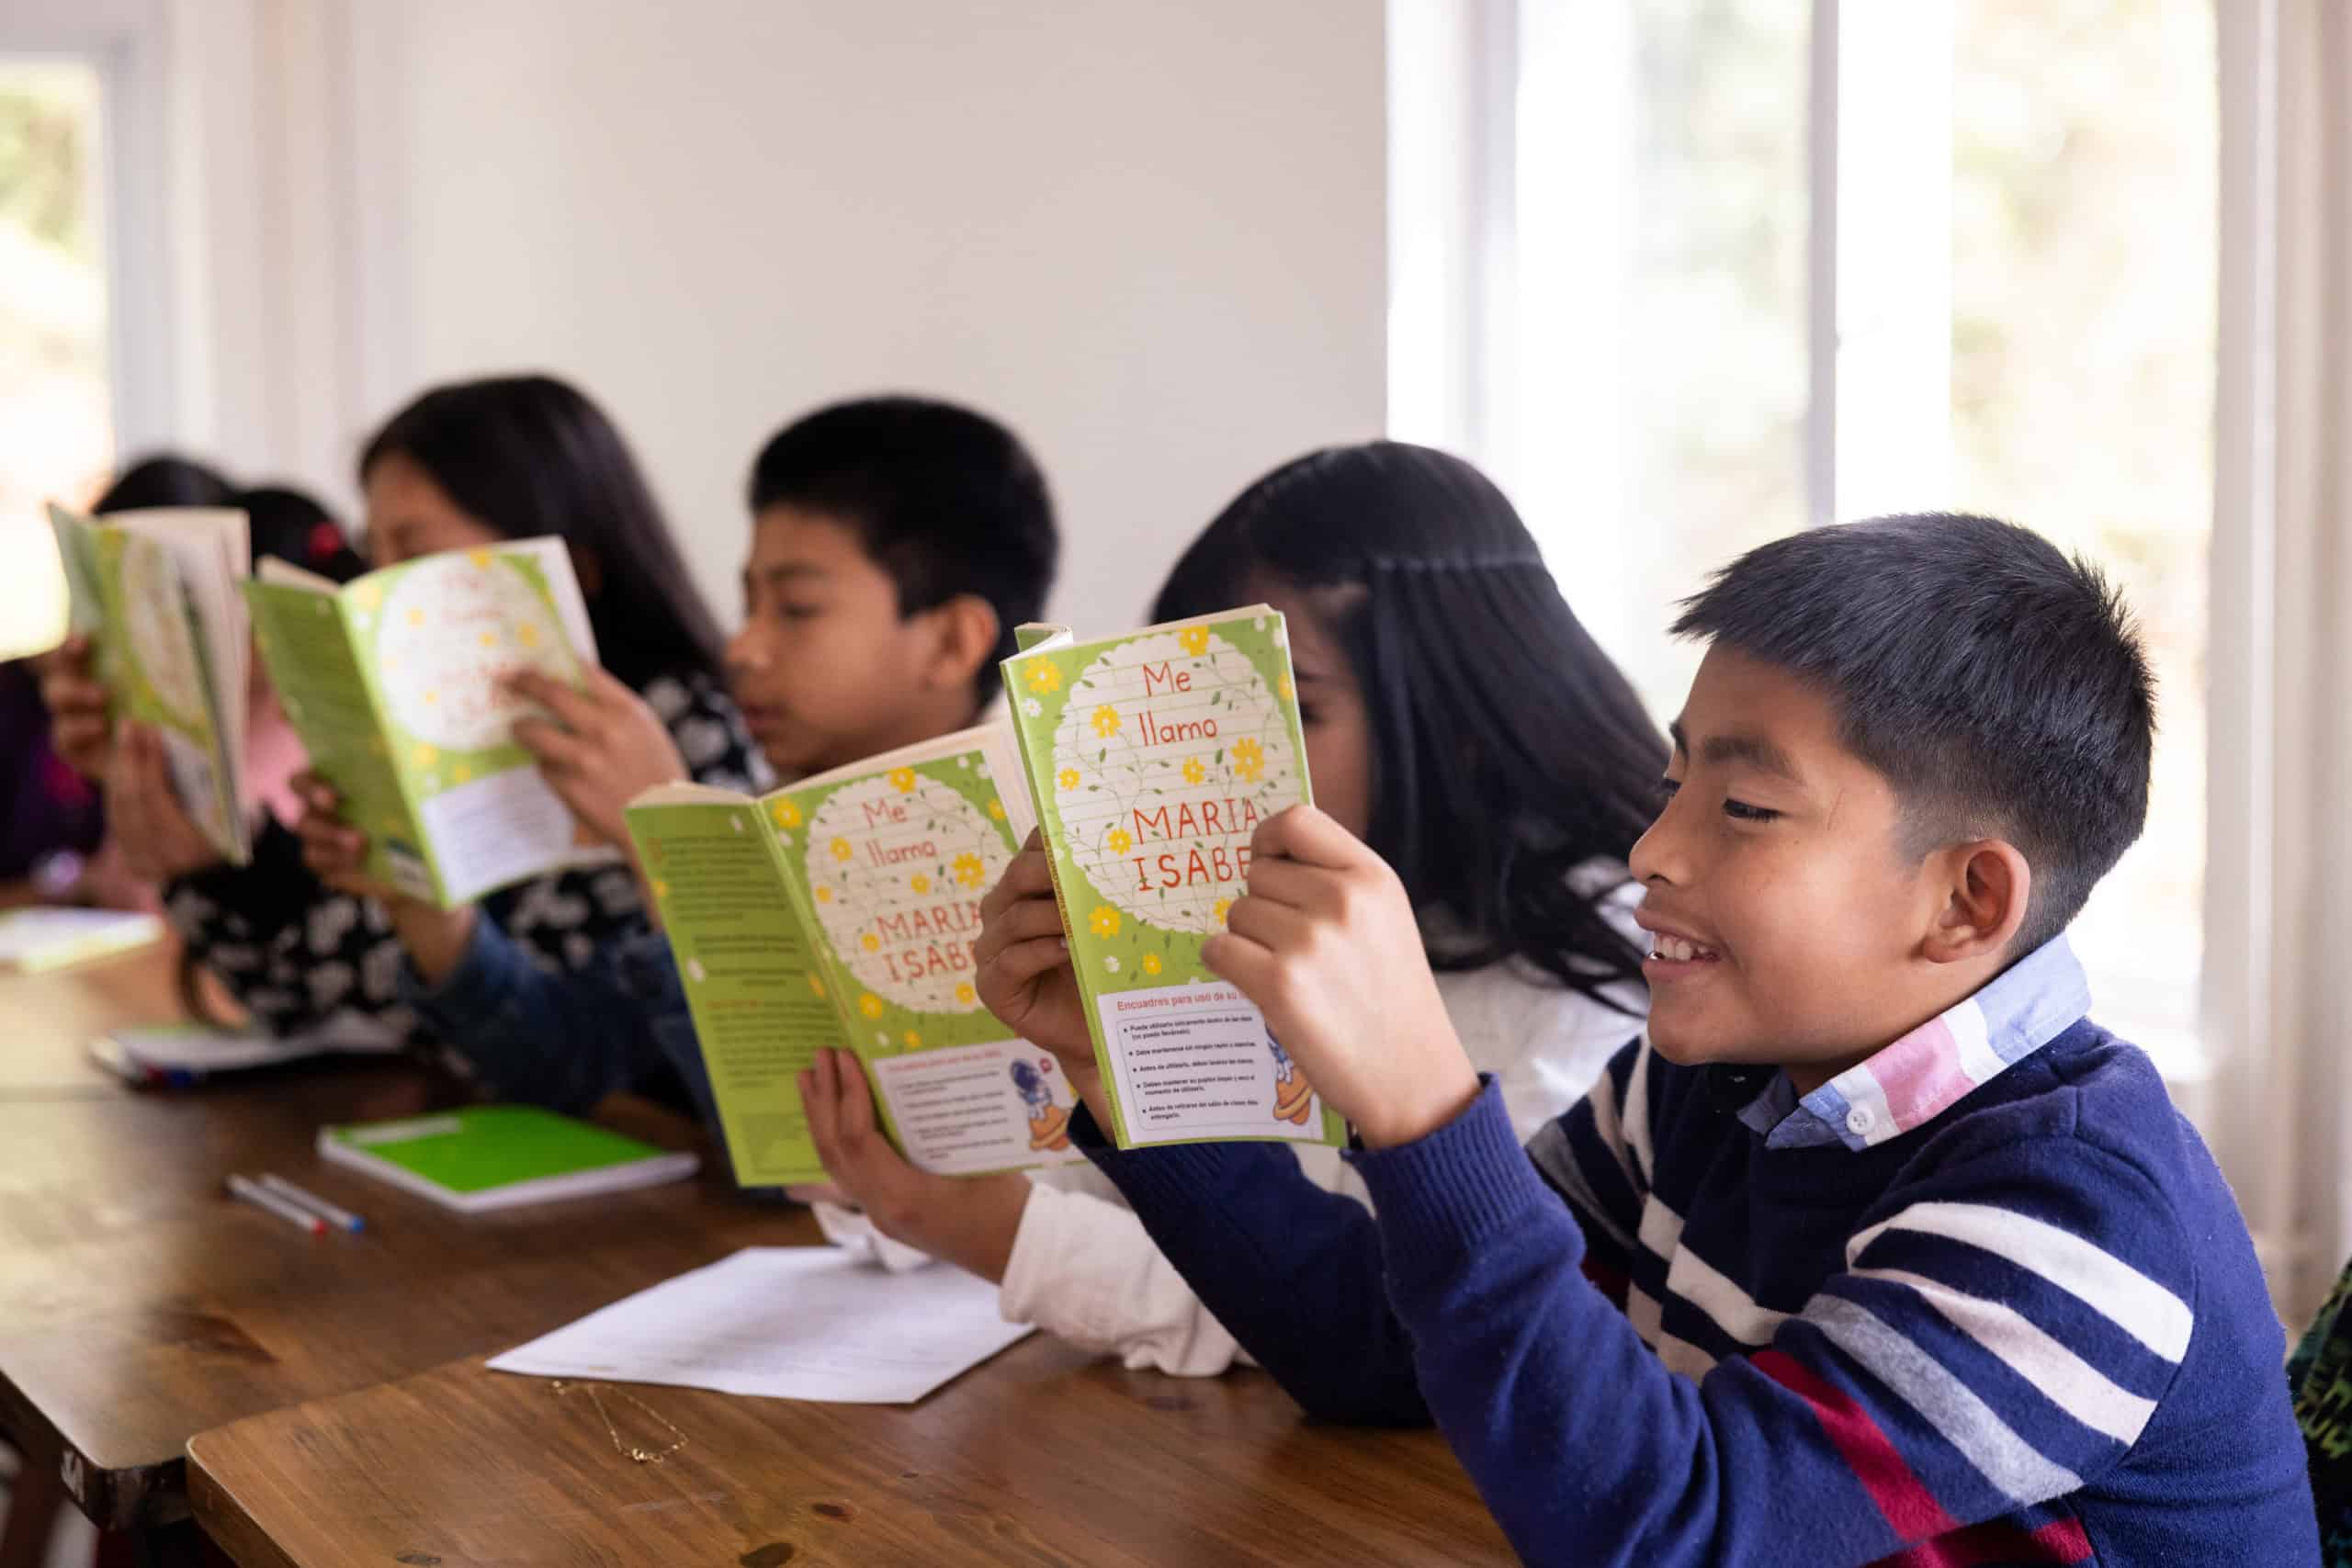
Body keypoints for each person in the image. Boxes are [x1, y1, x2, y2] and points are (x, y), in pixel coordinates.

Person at [979, 513, 2319, 1563]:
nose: (1651, 847)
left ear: (1967, 899)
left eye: (1740, 806)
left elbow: (1674, 1530)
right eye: (1676, 777)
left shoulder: (2080, 1212)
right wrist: (1122, 1082)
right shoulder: (1705, 1087)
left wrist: (1424, 1105)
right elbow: (1377, 1348)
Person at [800, 441, 1666, 1374]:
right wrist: (919, 1168)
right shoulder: (1239, 909)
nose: (1205, 765)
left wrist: (996, 1231)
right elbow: (1143, 1207)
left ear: (1455, 725)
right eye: (1188, 712)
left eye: (1287, 710)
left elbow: (1409, 1321)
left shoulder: (1598, 969)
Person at [51, 378, 761, 1074]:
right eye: (372, 555)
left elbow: (595, 1056)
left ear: (564, 564)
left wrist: (661, 835)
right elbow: (323, 992)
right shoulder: (433, 731)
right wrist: (211, 858)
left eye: (414, 558)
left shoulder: (675, 737)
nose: (375, 595)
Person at [388, 394, 1060, 1114]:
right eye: (747, 604)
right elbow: (572, 1062)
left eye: (797, 608)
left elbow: (805, 1153)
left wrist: (673, 852)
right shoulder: (784, 805)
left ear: (952, 642)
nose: (741, 648)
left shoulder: (1035, 867)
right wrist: (425, 901)